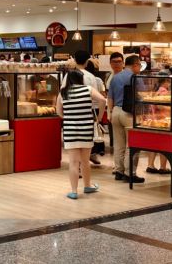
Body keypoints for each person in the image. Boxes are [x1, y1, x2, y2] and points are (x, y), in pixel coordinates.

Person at [56, 69, 105, 200]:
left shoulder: (63, 92)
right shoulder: (88, 89)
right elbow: (102, 100)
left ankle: (74, 191)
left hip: (70, 130)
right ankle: (87, 186)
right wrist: (99, 117)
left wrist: (68, 117)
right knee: (85, 161)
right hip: (86, 129)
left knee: (73, 162)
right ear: (80, 79)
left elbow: (58, 111)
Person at [107, 54, 145, 183]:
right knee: (133, 144)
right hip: (129, 113)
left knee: (118, 144)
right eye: (139, 65)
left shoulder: (115, 77)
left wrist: (110, 112)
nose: (139, 68)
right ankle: (130, 173)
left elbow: (110, 98)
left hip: (115, 111)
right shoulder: (136, 77)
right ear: (135, 65)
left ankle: (119, 171)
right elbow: (142, 95)